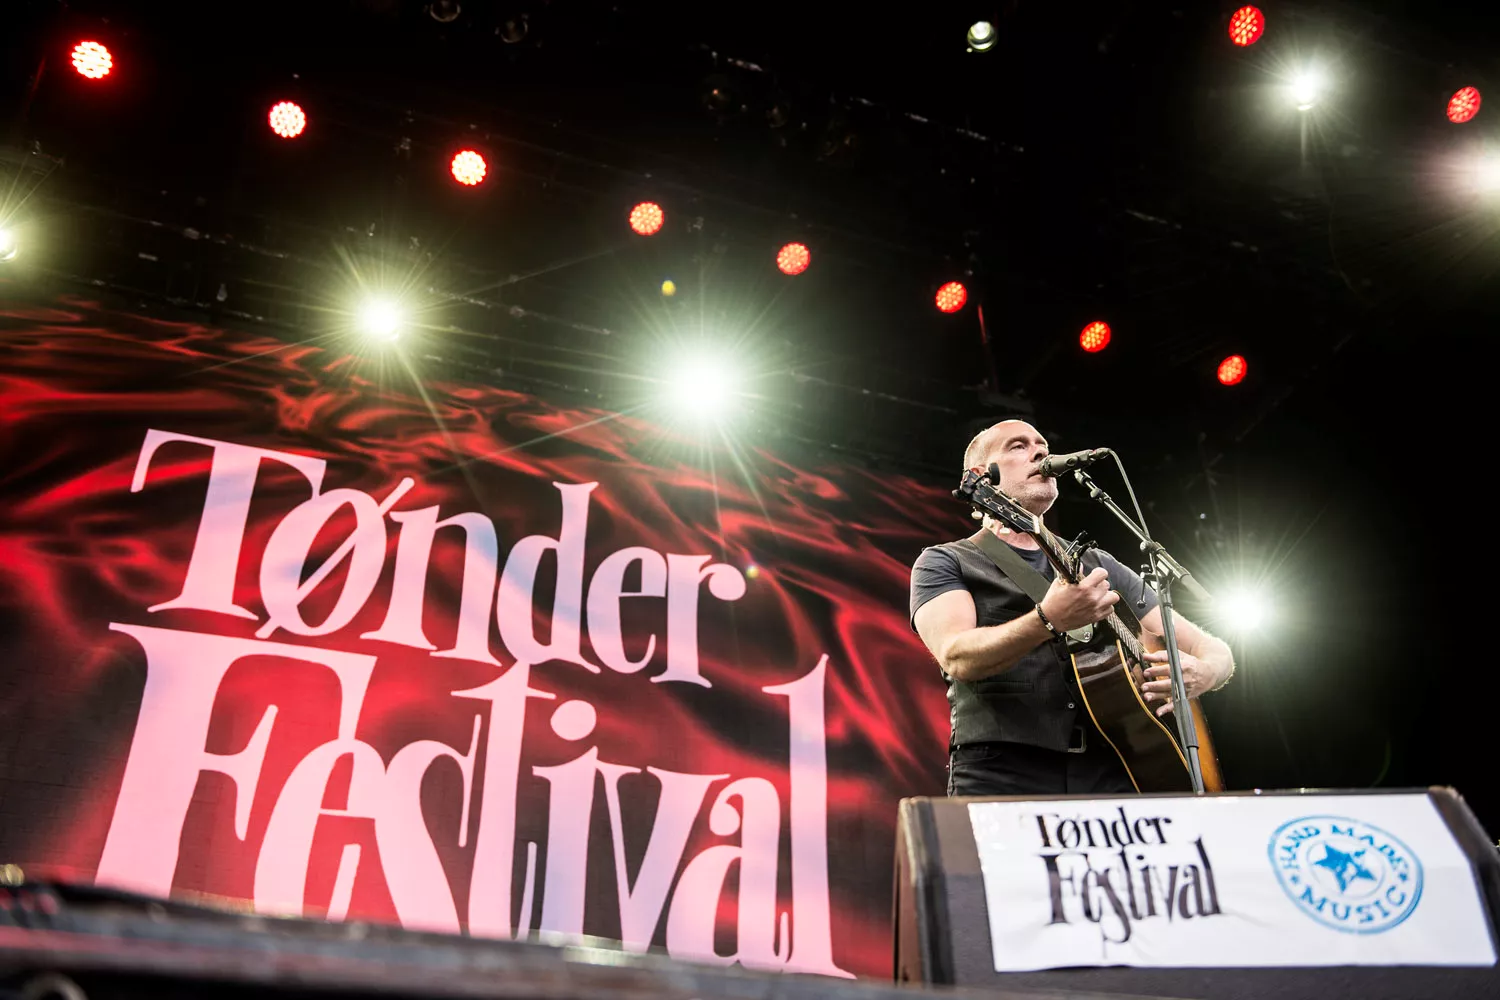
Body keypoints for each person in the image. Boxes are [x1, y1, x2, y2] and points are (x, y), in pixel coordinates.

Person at [910, 418, 1235, 797]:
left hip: (1114, 768)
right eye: (1018, 446)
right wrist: (1047, 620)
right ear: (984, 476)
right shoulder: (945, 561)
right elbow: (956, 656)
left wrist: (1206, 672)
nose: (1039, 453)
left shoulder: (1098, 564)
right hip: (1002, 770)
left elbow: (1214, 650)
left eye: (1042, 445)